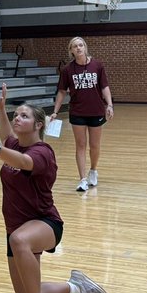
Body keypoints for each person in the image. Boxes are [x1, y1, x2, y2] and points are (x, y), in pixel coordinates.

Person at [0, 84, 109, 293]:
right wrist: (1, 111)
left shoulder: (43, 152)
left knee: (19, 240)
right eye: (16, 115)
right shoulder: (15, 144)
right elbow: (7, 136)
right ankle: (76, 286)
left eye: (24, 116)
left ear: (38, 125)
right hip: (16, 229)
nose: (17, 119)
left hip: (45, 224)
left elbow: (23, 162)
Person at [51, 36, 114, 192]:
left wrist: (110, 105)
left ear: (85, 47)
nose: (78, 48)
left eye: (80, 45)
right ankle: (82, 179)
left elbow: (104, 87)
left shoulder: (97, 65)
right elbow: (61, 91)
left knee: (94, 146)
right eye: (74, 46)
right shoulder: (67, 70)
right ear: (71, 50)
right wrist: (55, 112)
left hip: (96, 110)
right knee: (80, 145)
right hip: (77, 111)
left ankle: (93, 170)